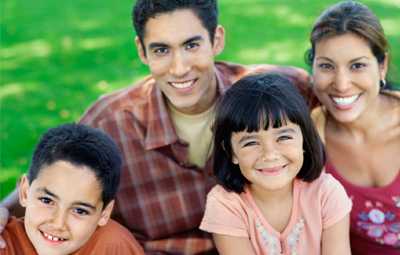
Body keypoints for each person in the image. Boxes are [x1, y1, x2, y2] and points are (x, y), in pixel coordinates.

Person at [0, 1, 316, 253]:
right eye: (161, 50)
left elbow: (349, 97)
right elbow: (54, 176)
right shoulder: (112, 121)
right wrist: (2, 210)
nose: (179, 68)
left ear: (216, 39)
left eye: (192, 45)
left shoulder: (277, 93)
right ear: (142, 50)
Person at [200, 73, 352, 255]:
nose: (270, 155)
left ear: (304, 140)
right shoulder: (225, 204)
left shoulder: (326, 194)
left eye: (284, 137)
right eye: (251, 142)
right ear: (231, 152)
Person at [306, 1, 400, 254]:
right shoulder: (308, 143)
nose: (342, 84)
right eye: (326, 66)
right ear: (312, 68)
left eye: (357, 65)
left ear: (382, 65)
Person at [0, 123, 144, 255]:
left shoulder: (114, 246)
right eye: (47, 200)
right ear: (25, 191)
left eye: (80, 210)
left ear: (104, 213)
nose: (58, 224)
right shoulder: (4, 245)